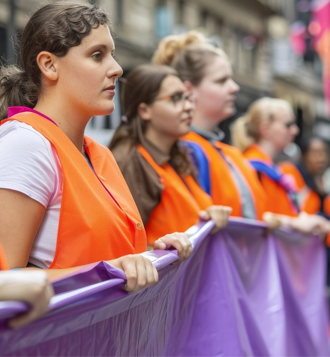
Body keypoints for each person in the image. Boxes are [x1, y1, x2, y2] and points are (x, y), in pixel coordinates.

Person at [0, 1, 192, 292]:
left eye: (112, 55)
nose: (116, 69)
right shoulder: (27, 144)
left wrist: (154, 253)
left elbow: (105, 257)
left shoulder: (98, 153)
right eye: (97, 55)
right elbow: (6, 282)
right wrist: (109, 271)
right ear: (49, 65)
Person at [109, 64, 231, 245]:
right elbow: (120, 247)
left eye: (187, 97)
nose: (188, 107)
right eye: (175, 99)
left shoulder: (180, 158)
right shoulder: (128, 162)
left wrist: (209, 219)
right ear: (144, 110)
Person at [152, 31, 267, 220]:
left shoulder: (228, 153)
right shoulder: (184, 150)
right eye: (222, 81)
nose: (234, 87)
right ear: (188, 90)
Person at [232, 97, 330, 237]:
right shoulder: (251, 169)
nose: (295, 131)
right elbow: (257, 222)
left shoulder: (269, 169)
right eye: (288, 125)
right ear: (265, 129)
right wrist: (294, 223)